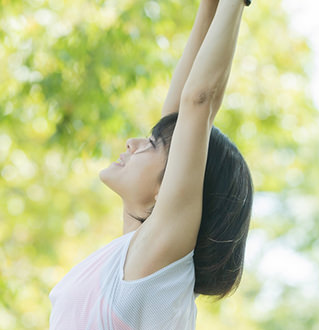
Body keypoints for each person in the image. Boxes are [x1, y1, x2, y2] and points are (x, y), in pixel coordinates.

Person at [49, 0, 254, 329]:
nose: (132, 143)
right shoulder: (136, 258)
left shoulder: (155, 258)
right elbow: (178, 116)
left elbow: (198, 102)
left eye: (153, 143)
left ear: (169, 186)